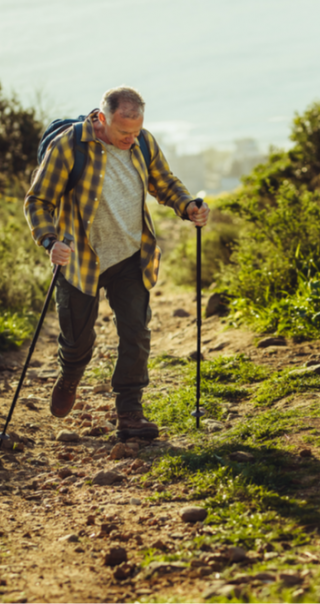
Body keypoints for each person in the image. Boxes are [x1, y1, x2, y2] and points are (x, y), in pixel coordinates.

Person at [24, 86, 209, 441]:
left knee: (136, 334)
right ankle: (70, 375)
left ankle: (130, 414)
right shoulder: (69, 146)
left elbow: (163, 182)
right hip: (80, 259)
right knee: (77, 343)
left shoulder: (142, 141)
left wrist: (187, 205)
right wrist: (49, 241)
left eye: (137, 131)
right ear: (102, 118)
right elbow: (38, 200)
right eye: (124, 132)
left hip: (130, 255)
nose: (131, 139)